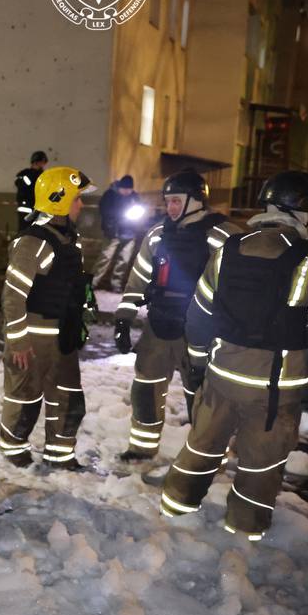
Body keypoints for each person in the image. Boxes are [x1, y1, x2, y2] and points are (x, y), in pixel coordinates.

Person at [161, 171, 308, 540]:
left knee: (200, 448)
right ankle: (243, 535)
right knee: (261, 466)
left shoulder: (228, 249)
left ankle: (173, 514)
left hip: (221, 378)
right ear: (305, 212)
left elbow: (198, 315)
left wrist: (197, 365)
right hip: (274, 393)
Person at [113, 170, 242, 461]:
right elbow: (139, 277)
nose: (169, 208)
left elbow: (240, 285)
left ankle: (208, 457)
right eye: (167, 201)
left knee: (202, 394)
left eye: (176, 201)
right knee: (145, 386)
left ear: (196, 200)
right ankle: (141, 448)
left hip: (201, 330)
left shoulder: (222, 235)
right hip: (159, 323)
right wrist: (124, 317)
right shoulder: (158, 234)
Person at [0, 166, 96, 470]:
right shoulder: (33, 243)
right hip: (33, 336)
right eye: (77, 199)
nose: (81, 205)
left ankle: (60, 455)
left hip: (61, 335)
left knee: (68, 398)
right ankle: (14, 452)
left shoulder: (67, 239)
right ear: (59, 199)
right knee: (25, 398)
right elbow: (13, 295)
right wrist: (18, 342)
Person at [92, 175, 145, 291]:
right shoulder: (110, 195)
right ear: (120, 187)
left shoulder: (134, 197)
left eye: (129, 189)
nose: (127, 192)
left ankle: (116, 285)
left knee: (124, 260)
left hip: (129, 233)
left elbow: (141, 210)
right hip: (113, 234)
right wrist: (112, 222)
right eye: (124, 189)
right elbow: (104, 211)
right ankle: (92, 283)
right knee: (105, 258)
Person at [14, 150, 49, 228]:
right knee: (24, 231)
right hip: (26, 208)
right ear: (37, 162)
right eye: (42, 162)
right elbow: (18, 183)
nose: (44, 165)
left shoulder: (42, 175)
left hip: (37, 209)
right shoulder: (26, 174)